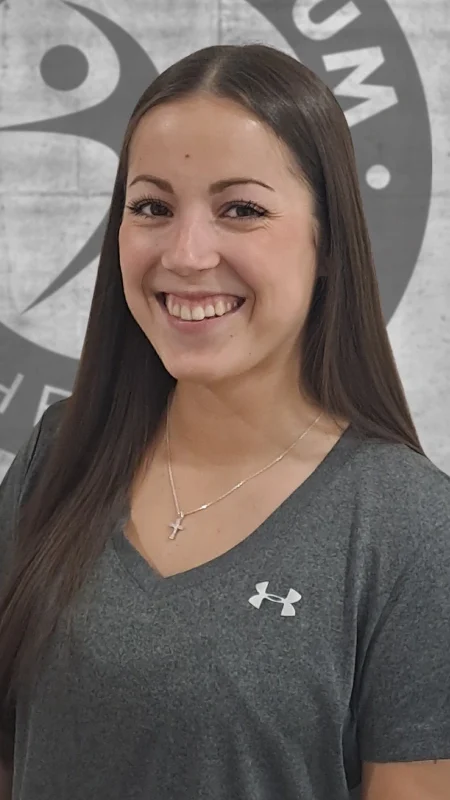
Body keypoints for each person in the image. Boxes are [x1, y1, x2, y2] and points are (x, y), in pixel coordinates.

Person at [0, 42, 449, 800]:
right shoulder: (58, 453)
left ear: (328, 241)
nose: (186, 253)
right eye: (152, 207)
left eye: (241, 209)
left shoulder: (412, 528)